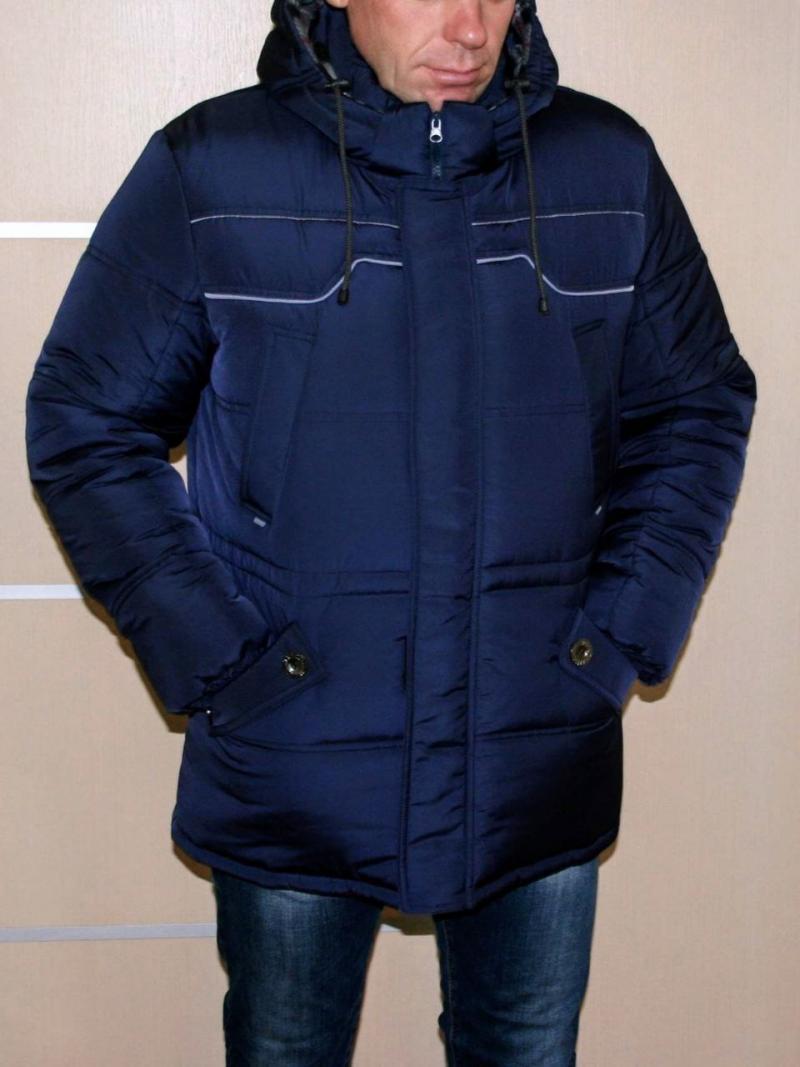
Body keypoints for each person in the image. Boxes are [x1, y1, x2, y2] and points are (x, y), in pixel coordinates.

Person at [24, 0, 757, 1062]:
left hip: (533, 755)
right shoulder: (213, 167)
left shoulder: (604, 166)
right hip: (292, 759)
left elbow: (695, 406)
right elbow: (84, 420)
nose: (469, 28)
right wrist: (222, 659)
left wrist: (612, 641)